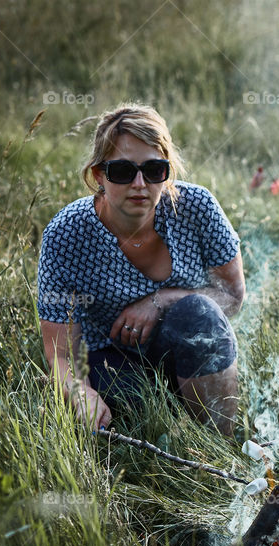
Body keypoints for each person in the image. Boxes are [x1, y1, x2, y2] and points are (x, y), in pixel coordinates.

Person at [37, 104, 245, 436]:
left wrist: (161, 300)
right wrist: (80, 394)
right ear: (98, 176)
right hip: (111, 364)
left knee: (199, 312)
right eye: (122, 171)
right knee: (134, 416)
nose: (139, 183)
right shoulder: (68, 233)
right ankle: (165, 438)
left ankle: (221, 449)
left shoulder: (198, 209)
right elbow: (61, 355)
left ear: (168, 172)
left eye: (153, 170)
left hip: (186, 355)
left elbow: (233, 298)